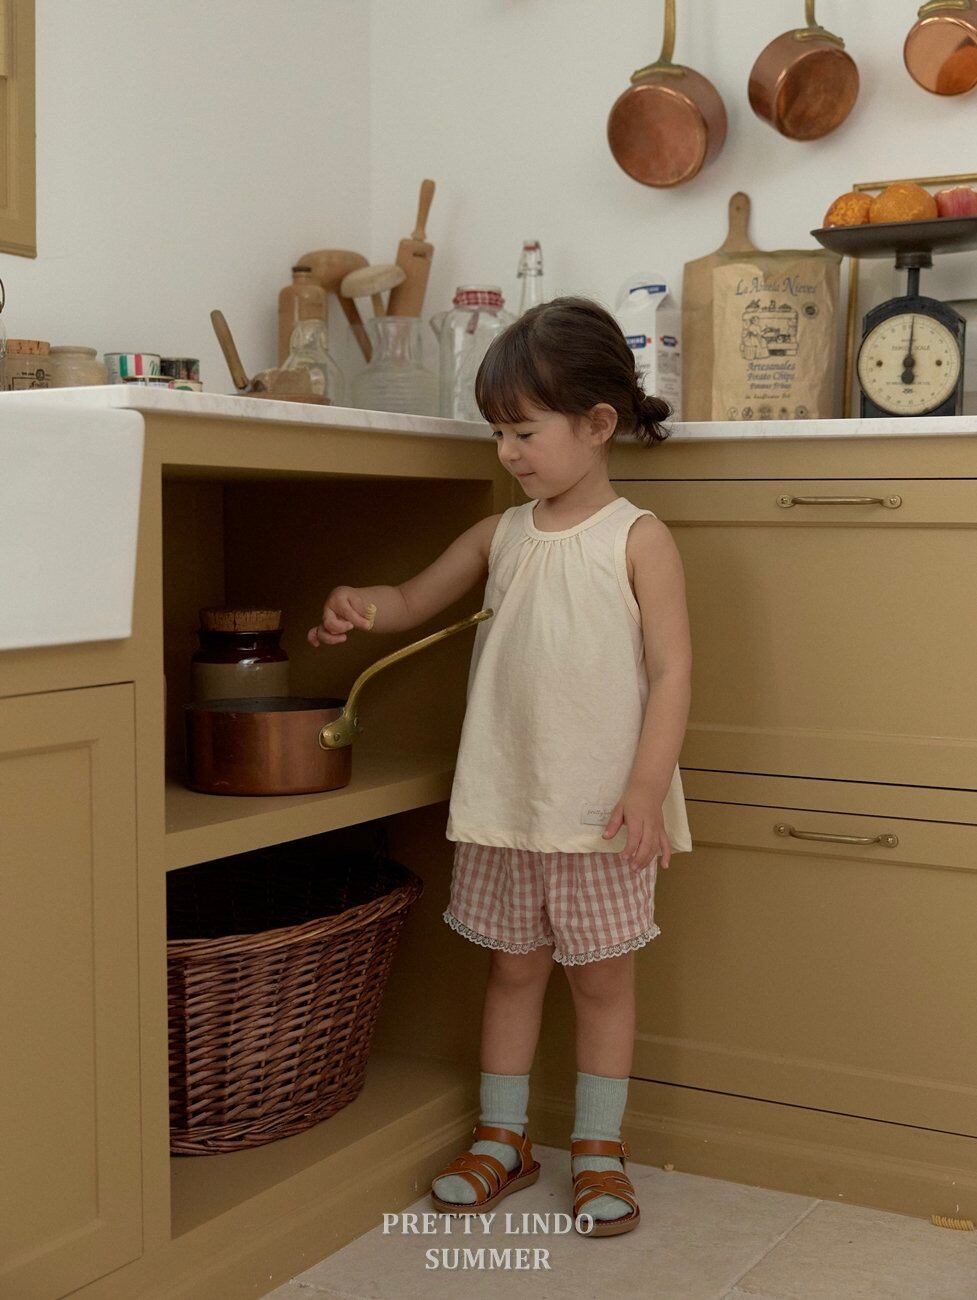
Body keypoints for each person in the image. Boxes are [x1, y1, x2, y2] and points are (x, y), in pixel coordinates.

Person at [308, 296, 693, 1239]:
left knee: (601, 983)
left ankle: (598, 1150)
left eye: (524, 431)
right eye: (497, 434)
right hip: (505, 807)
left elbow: (673, 670)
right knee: (511, 974)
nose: (508, 453)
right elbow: (411, 600)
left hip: (602, 816)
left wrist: (646, 787)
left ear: (596, 424)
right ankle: (503, 1137)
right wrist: (359, 602)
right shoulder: (500, 534)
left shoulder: (637, 538)